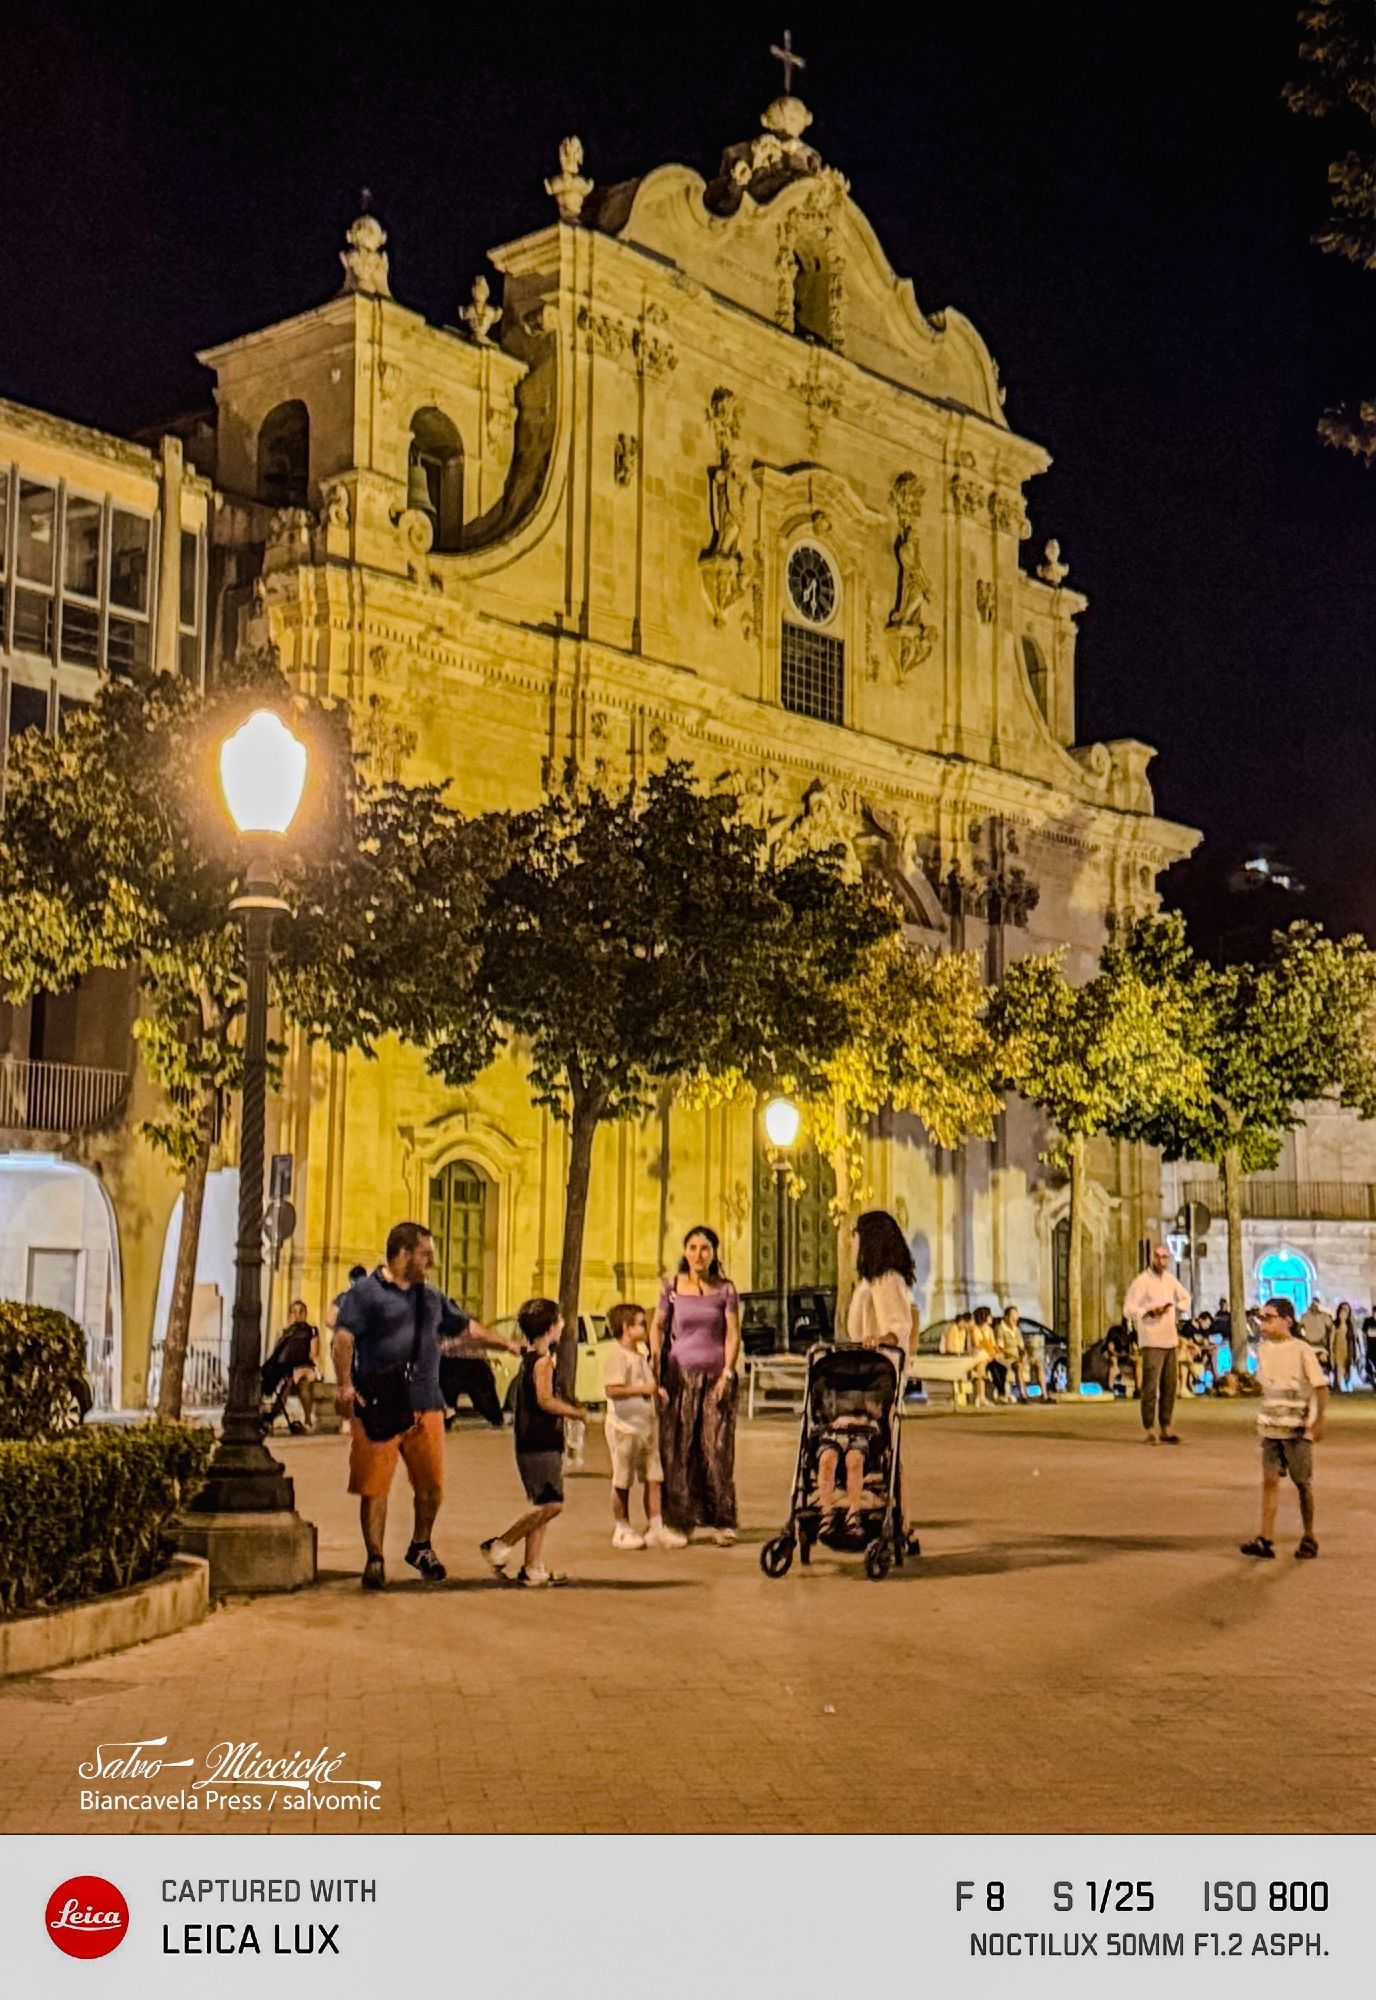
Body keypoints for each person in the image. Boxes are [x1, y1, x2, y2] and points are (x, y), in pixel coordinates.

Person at [332, 1223, 452, 1590]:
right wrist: (344, 1386)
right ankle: (375, 1558)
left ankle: (421, 1545)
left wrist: (507, 1344)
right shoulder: (364, 1295)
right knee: (375, 1488)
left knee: (431, 1487)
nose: (431, 1262)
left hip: (427, 1402)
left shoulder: (430, 1298)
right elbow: (342, 1339)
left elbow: (464, 1327)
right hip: (380, 1403)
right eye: (425, 1254)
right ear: (402, 1253)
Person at [480, 1299, 588, 1586]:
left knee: (541, 1503)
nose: (563, 1325)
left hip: (534, 1440)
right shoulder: (542, 1362)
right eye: (559, 1321)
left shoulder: (529, 1356)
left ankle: (532, 1567)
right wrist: (575, 1412)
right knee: (553, 1504)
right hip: (539, 1441)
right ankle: (500, 1544)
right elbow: (544, 1400)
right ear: (549, 1327)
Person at [650, 1225, 741, 1544]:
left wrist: (727, 1372)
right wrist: (655, 1365)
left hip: (715, 1375)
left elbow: (732, 1333)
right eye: (692, 1247)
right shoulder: (672, 1286)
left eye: (705, 1248)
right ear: (684, 1251)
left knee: (715, 1447)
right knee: (678, 1447)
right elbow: (658, 1326)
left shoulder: (726, 1289)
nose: (698, 1254)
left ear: (714, 1253)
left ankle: (722, 1519)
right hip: (679, 1376)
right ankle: (680, 1520)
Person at [1240, 1296, 1327, 1561]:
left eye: (1269, 1317)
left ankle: (1309, 1535)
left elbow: (1320, 1387)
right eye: (1262, 1318)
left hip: (1296, 1428)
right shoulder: (1264, 1349)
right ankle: (1265, 1538)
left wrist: (1318, 1420)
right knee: (1269, 1481)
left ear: (1287, 1321)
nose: (1263, 1322)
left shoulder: (1301, 1350)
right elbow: (1264, 1382)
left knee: (1302, 1483)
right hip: (1270, 1427)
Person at [602, 1302, 686, 1550]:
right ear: (626, 1328)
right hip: (624, 1428)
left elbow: (646, 1385)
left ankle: (656, 1525)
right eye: (640, 1323)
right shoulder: (618, 1357)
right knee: (622, 1479)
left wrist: (656, 1392)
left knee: (653, 1476)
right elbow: (612, 1389)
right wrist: (642, 1389)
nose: (644, 1327)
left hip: (646, 1427)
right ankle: (622, 1527)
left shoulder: (641, 1356)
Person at [1123, 1243, 1190, 1444]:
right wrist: (1148, 1312)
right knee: (1150, 1386)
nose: (1161, 1261)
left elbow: (1186, 1297)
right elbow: (1128, 1308)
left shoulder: (1170, 1280)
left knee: (1170, 1385)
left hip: (1170, 1340)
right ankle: (1149, 1428)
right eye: (1158, 1257)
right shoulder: (1141, 1282)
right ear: (1151, 1258)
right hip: (1151, 1340)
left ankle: (1166, 1426)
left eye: (1165, 1257)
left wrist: (1176, 1309)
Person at [816, 1380, 887, 1533]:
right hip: (833, 1430)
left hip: (861, 1431)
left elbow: (876, 1411)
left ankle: (854, 1512)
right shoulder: (829, 1378)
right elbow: (819, 1409)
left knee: (854, 1459)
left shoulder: (870, 1379)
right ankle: (826, 1512)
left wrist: (859, 1420)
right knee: (826, 1459)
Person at [437, 1303, 520, 1428]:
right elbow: (480, 1334)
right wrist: (508, 1344)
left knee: (446, 1401)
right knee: (485, 1397)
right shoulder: (462, 1322)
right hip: (471, 1364)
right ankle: (496, 1420)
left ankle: (443, 1423)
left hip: (447, 1364)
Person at [846, 1210, 915, 1348]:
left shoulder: (888, 1279)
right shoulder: (870, 1281)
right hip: (868, 1363)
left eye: (854, 1234)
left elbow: (899, 1327)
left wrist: (881, 1340)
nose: (851, 1240)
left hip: (881, 1365)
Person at [266, 1298, 320, 1427]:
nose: (298, 1315)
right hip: (288, 1370)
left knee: (302, 1381)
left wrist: (299, 1368)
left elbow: (313, 1353)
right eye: (294, 1312)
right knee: (289, 1381)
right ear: (290, 1315)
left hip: (305, 1368)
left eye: (301, 1311)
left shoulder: (311, 1330)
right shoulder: (286, 1333)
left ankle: (305, 1417)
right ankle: (272, 1414)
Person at [1330, 1301, 1355, 1393]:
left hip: (1348, 1350)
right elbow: (1332, 1341)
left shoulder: (1350, 1326)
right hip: (1338, 1350)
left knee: (1347, 1367)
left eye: (1346, 1311)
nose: (1344, 1313)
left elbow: (1353, 1340)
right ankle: (1340, 1385)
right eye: (1343, 1311)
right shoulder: (1335, 1325)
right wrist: (1332, 1353)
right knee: (1339, 1368)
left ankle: (1347, 1383)